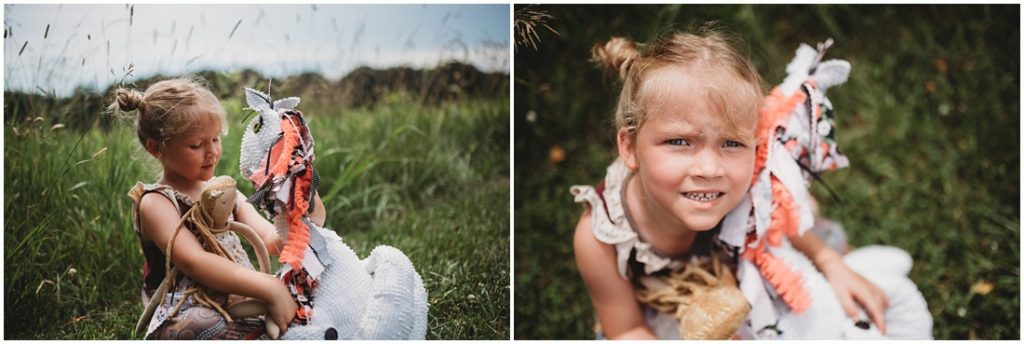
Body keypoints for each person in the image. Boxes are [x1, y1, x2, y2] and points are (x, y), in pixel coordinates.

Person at [571, 29, 932, 339]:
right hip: (671, 303)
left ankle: (850, 259)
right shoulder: (600, 238)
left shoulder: (748, 181)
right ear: (630, 147)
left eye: (732, 143)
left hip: (747, 267)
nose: (710, 168)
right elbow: (626, 329)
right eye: (679, 142)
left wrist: (830, 264)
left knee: (802, 228)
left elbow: (776, 220)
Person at [115, 76, 326, 339]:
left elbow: (270, 240)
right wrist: (268, 287)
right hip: (187, 306)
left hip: (243, 295)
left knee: (309, 302)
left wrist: (302, 207)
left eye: (215, 139)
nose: (212, 152)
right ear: (156, 148)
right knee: (199, 326)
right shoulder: (156, 202)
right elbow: (194, 261)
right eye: (197, 145)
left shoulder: (224, 193)